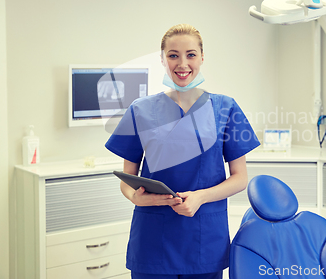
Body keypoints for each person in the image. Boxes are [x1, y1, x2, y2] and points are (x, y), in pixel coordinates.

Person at [105, 24, 260, 279]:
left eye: (190, 54)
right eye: (173, 55)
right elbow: (127, 178)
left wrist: (200, 197)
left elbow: (240, 178)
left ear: (201, 57)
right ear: (163, 59)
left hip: (203, 236)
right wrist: (135, 197)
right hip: (152, 237)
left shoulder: (225, 107)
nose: (182, 63)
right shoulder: (140, 109)